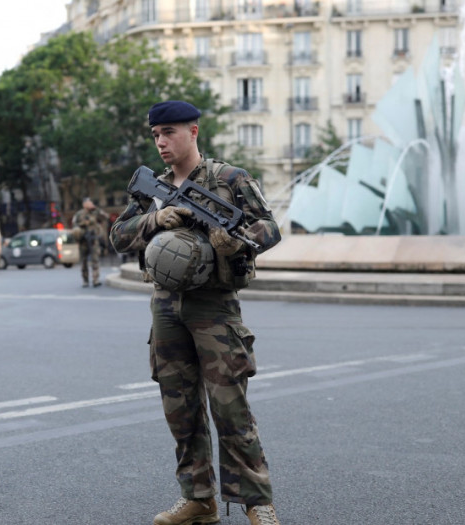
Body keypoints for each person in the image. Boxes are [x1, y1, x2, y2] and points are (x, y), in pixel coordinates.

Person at [109, 101, 283, 525]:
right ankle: (198, 499)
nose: (161, 142)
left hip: (214, 304)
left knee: (230, 408)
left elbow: (270, 229)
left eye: (168, 132)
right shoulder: (153, 186)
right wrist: (156, 218)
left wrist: (237, 242)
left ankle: (257, 502)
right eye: (155, 136)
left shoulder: (229, 179)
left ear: (193, 131)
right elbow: (119, 235)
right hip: (166, 307)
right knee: (180, 408)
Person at [71, 197, 108, 287]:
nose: (89, 204)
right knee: (83, 261)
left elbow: (106, 217)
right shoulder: (79, 214)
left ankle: (95, 279)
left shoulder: (95, 212)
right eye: (88, 202)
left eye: (90, 202)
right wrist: (83, 224)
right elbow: (74, 225)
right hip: (83, 240)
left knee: (95, 260)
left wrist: (96, 208)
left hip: (93, 239)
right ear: (84, 204)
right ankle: (85, 280)